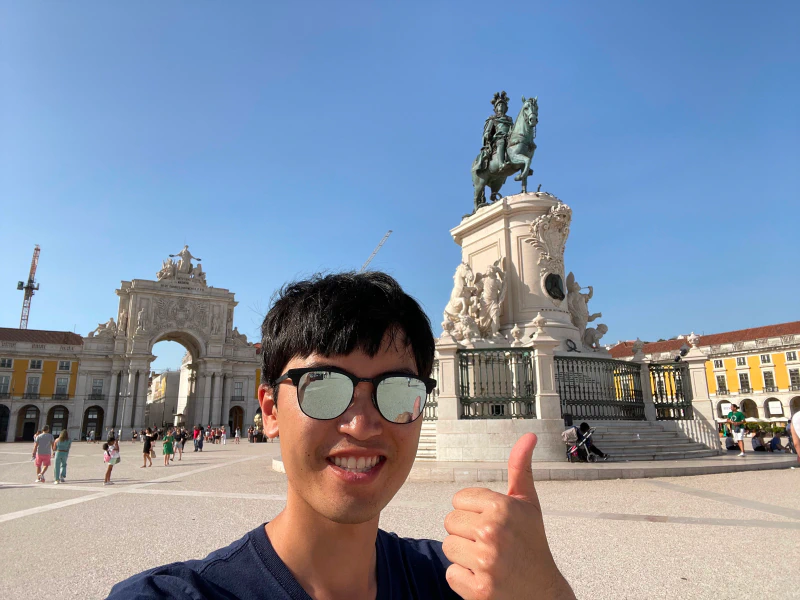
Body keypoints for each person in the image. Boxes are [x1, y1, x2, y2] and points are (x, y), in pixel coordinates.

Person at [108, 271, 574, 599]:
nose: (362, 424)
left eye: (397, 391)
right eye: (325, 387)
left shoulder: (464, 583)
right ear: (269, 410)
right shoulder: (172, 596)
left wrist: (547, 595)